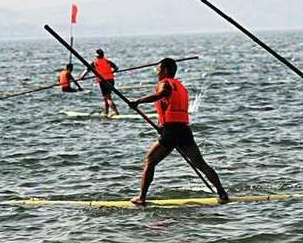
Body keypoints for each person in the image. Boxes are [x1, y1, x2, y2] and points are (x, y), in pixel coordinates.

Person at [128, 57, 228, 205]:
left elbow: (161, 94)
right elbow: (169, 106)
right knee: (200, 164)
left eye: (158, 68)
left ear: (166, 70)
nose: (157, 72)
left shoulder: (165, 84)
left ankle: (141, 198)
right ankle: (222, 192)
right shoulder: (180, 86)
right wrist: (162, 125)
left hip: (172, 131)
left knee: (150, 161)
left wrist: (139, 101)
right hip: (183, 130)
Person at [80, 49, 119, 116]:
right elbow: (116, 68)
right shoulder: (107, 61)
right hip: (111, 80)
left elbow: (86, 71)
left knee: (108, 97)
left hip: (103, 81)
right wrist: (112, 72)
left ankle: (116, 112)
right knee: (106, 97)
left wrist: (82, 77)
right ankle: (106, 112)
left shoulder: (95, 63)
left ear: (96, 55)